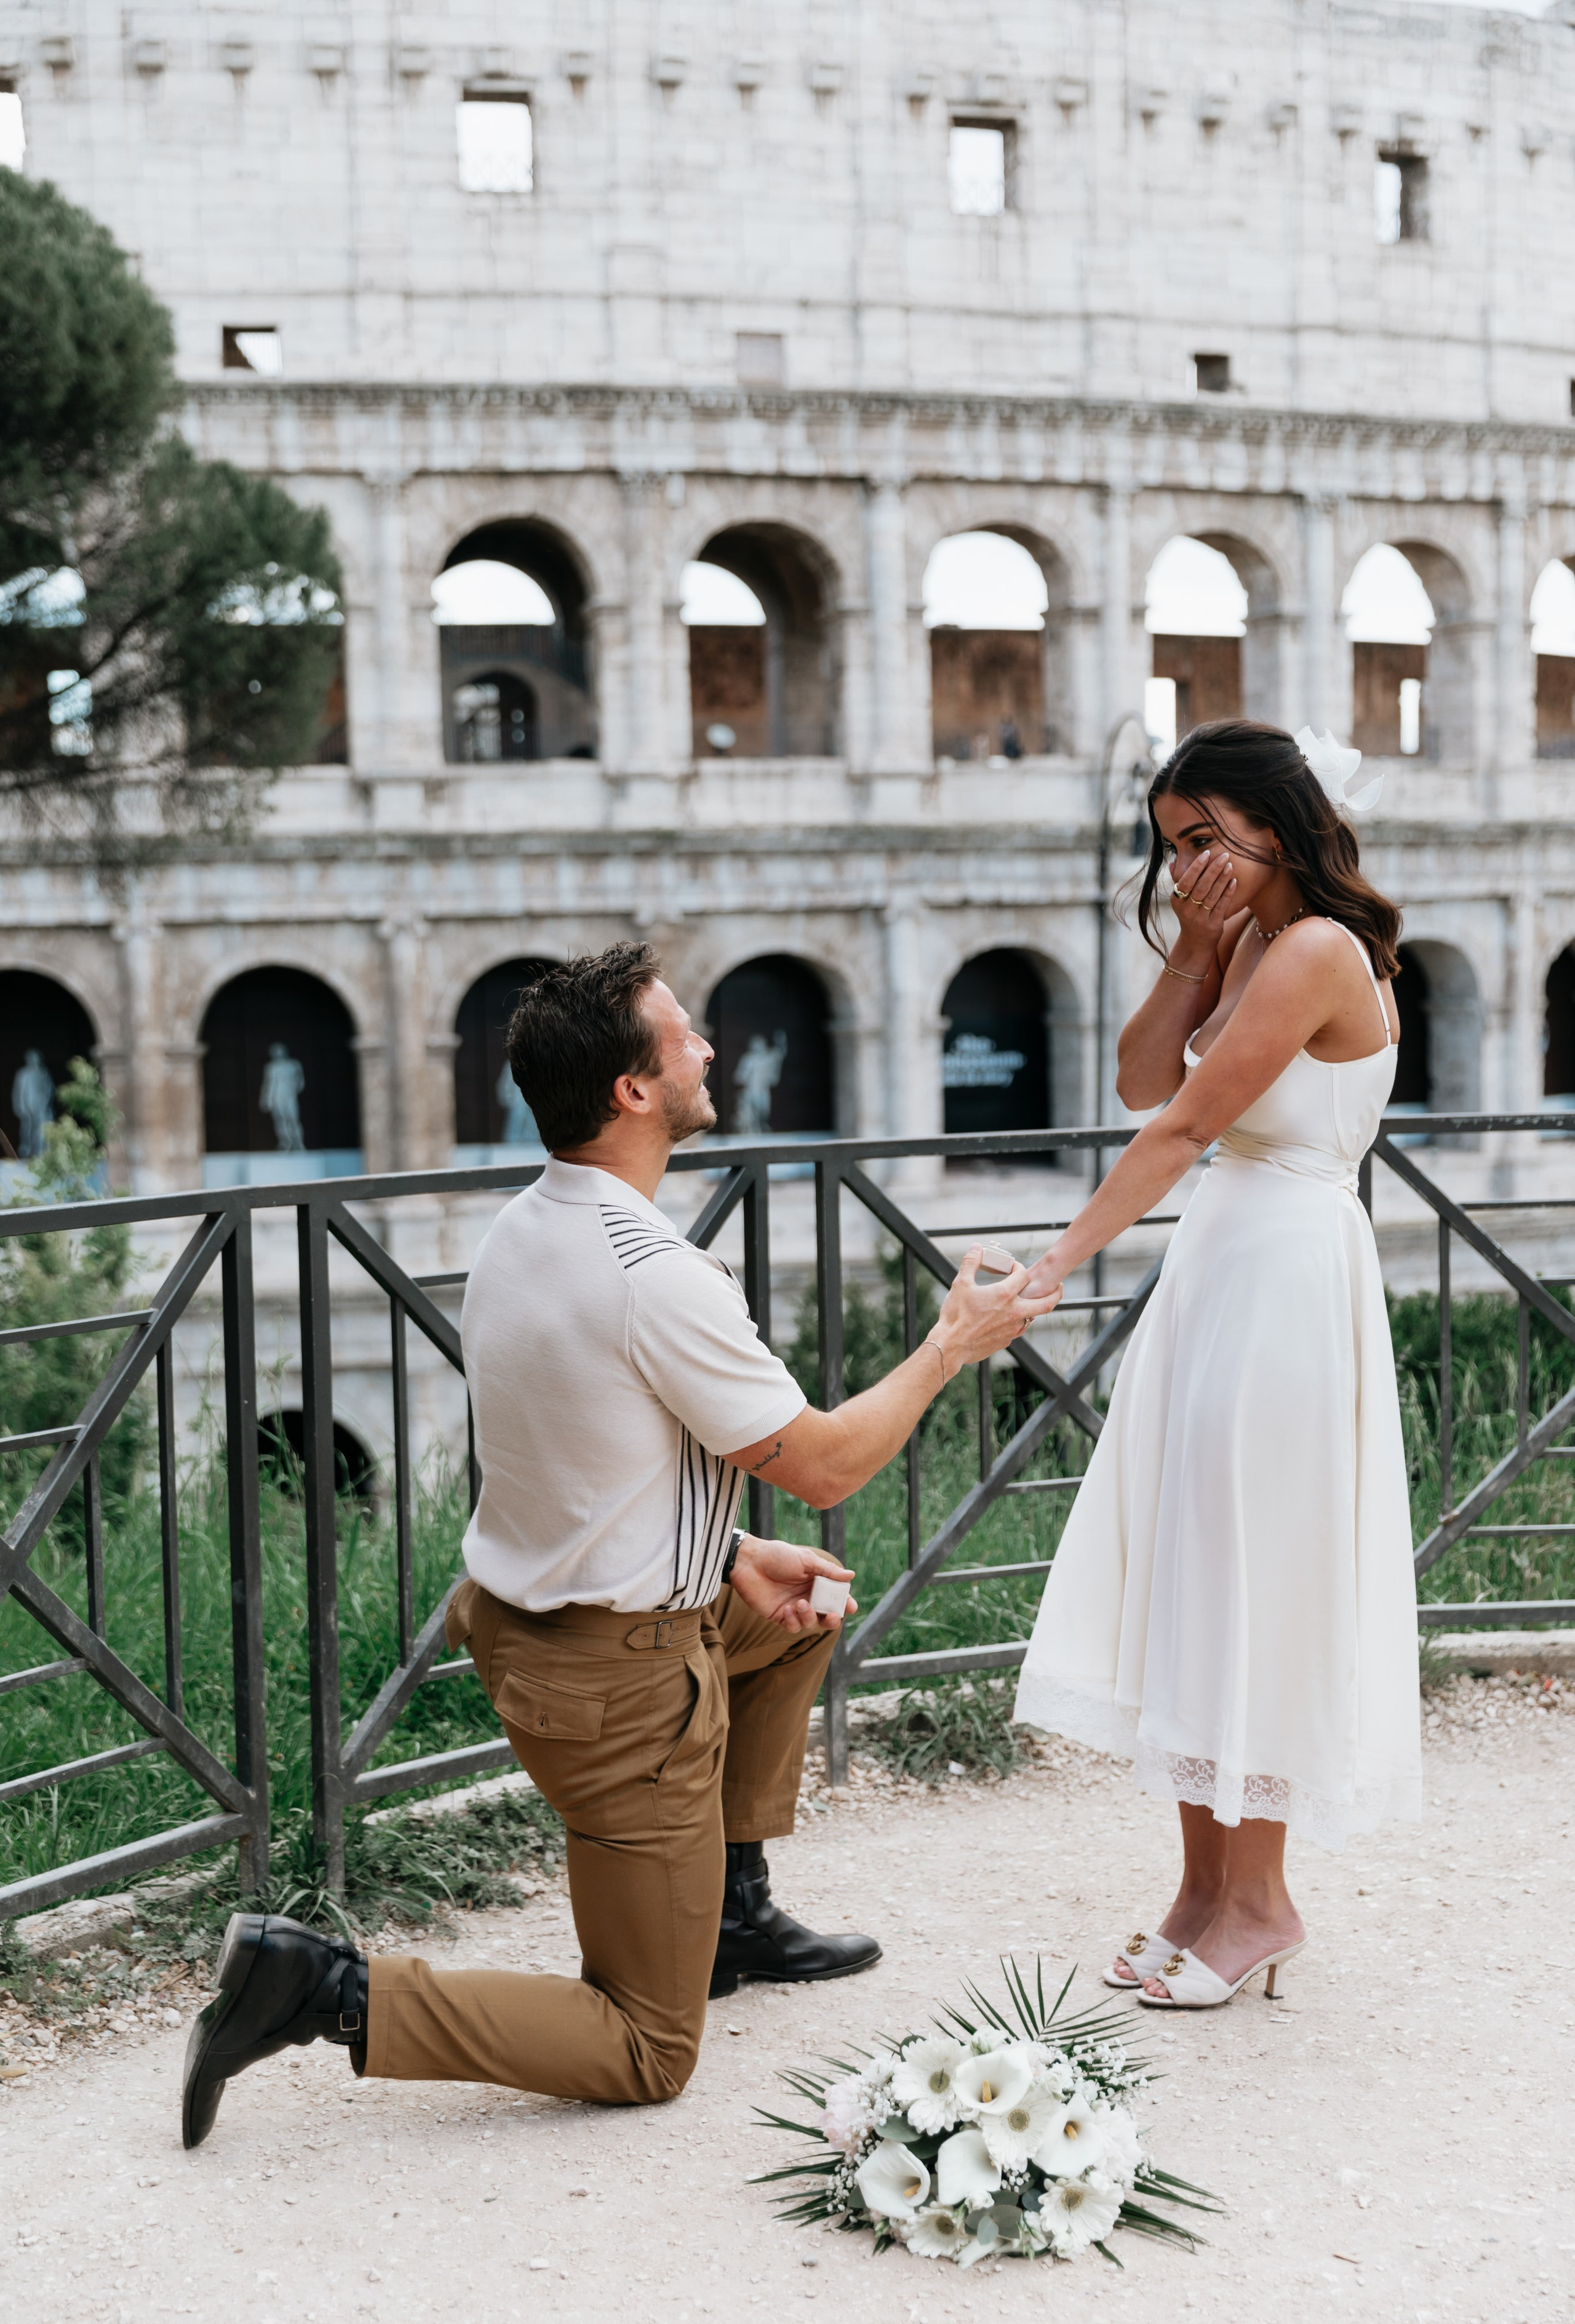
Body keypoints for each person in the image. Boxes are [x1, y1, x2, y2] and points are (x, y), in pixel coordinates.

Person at [184, 941, 1032, 2144]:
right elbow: (832, 1460)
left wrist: (730, 1552)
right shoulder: (654, 1276)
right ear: (632, 1091)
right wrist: (951, 1341)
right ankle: (322, 1988)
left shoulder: (526, 1230)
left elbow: (582, 1462)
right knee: (646, 2045)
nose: (709, 1048)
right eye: (684, 1033)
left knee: (800, 1615)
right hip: (616, 1684)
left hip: (528, 1623)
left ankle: (729, 1917)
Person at [1014, 720, 1422, 2010]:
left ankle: (1261, 1902)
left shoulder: (1314, 948)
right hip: (1217, 1269)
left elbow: (1192, 1123)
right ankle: (1200, 1895)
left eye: (1203, 839)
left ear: (1271, 820)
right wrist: (1192, 947)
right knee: (1197, 1567)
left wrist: (1057, 1262)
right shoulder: (1243, 939)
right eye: (1169, 847)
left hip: (1289, 1271)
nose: (1184, 864)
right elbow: (1145, 1079)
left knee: (1261, 1575)